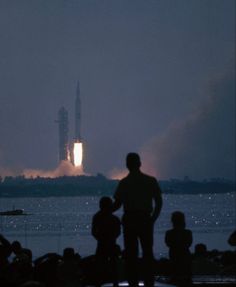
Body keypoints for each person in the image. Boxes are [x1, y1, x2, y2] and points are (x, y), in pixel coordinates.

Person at [113, 153, 163, 287]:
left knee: (131, 253)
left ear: (127, 165)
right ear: (139, 164)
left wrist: (105, 211)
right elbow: (158, 202)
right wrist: (153, 219)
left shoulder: (124, 182)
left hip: (130, 219)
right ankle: (149, 280)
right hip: (145, 218)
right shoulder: (150, 181)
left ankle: (133, 281)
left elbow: (117, 204)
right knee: (147, 251)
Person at [92, 196, 121, 286]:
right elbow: (118, 232)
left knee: (100, 265)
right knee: (113, 265)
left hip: (101, 244)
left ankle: (99, 282)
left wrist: (101, 238)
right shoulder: (115, 218)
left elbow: (94, 232)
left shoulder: (97, 217)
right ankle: (114, 283)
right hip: (111, 244)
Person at [165, 211, 192, 284]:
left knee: (175, 272)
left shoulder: (169, 233)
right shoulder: (188, 232)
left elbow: (168, 243)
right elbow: (189, 244)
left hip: (174, 254)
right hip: (185, 255)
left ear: (172, 221)